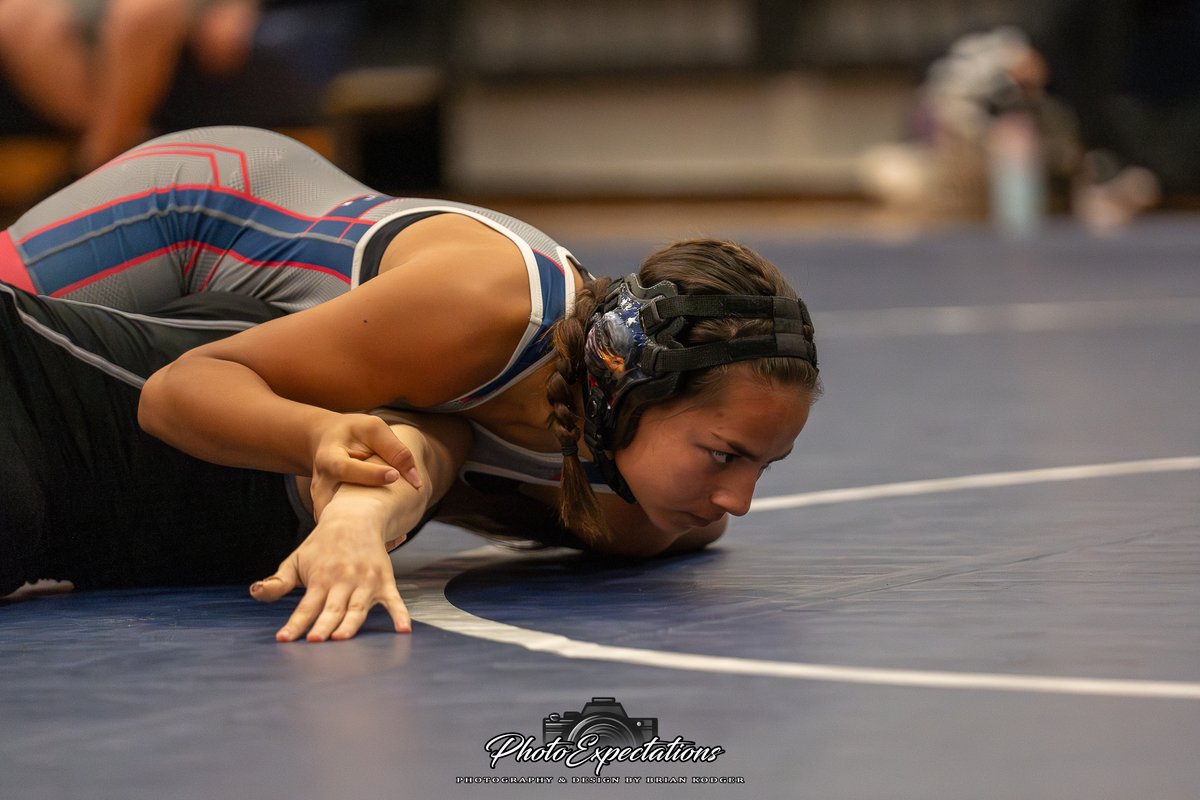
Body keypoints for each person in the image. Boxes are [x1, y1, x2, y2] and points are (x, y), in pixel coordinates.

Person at [1, 127, 821, 643]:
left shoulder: (642, 518)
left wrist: (365, 508)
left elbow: (428, 457)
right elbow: (183, 390)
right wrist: (319, 437)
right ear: (629, 388)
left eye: (761, 467)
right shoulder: (488, 307)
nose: (738, 501)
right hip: (199, 215)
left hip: (260, 315)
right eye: (723, 455)